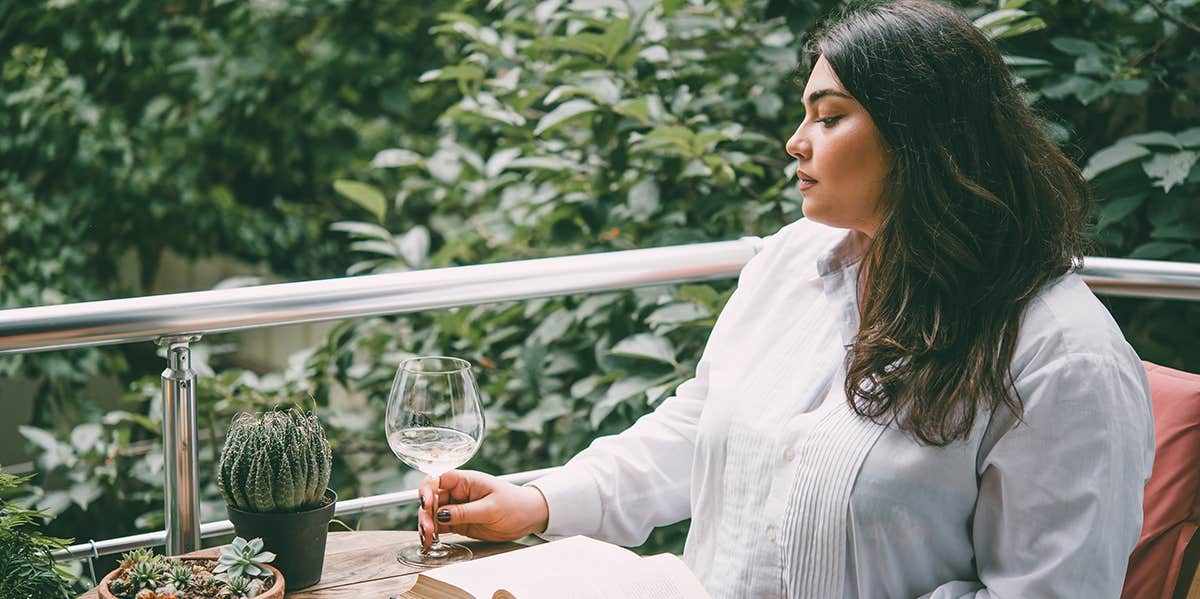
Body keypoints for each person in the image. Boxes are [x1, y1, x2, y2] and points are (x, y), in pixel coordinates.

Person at [416, 1, 1156, 596]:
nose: (795, 142)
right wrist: (540, 501)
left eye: (828, 117)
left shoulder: (1063, 355)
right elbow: (699, 426)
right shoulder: (787, 262)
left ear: (924, 137)